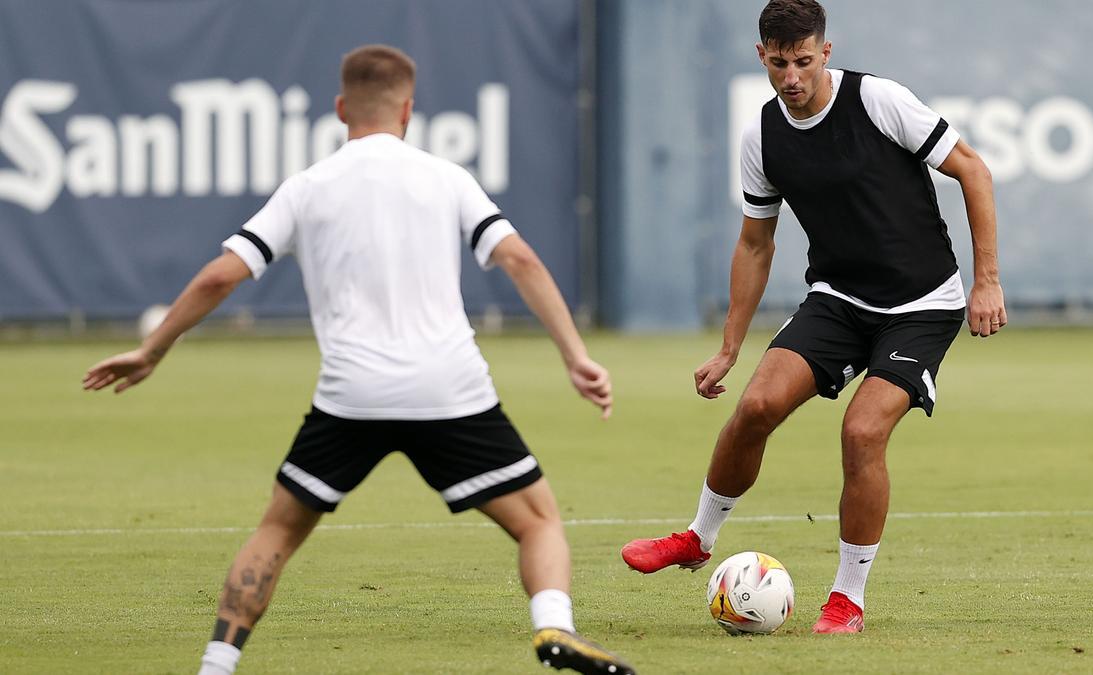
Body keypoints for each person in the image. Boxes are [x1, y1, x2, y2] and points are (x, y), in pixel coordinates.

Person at [83, 44, 634, 675]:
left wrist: (152, 350)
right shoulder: (447, 178)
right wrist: (575, 356)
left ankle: (216, 664)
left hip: (352, 395)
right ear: (409, 109)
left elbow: (219, 276)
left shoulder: (307, 188)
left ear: (342, 107)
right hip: (449, 389)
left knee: (277, 532)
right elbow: (521, 260)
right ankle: (554, 628)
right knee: (538, 521)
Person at [620, 0, 1006, 634]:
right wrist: (729, 347)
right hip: (838, 300)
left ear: (825, 52)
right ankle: (697, 537)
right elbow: (755, 244)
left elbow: (973, 170)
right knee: (755, 407)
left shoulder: (878, 101)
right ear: (761, 57)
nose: (792, 77)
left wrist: (986, 281)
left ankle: (847, 598)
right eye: (779, 63)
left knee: (862, 432)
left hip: (922, 306)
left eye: (803, 61)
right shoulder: (762, 136)